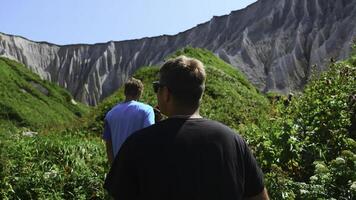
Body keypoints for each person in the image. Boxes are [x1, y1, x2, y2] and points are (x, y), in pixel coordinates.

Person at [104, 56, 269, 200]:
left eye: (157, 87)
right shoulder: (233, 140)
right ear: (200, 95)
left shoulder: (137, 144)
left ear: (167, 93)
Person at [102, 77, 155, 165]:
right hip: (138, 166)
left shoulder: (110, 114)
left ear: (125, 92)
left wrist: (113, 168)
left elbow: (108, 145)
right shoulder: (147, 110)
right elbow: (150, 138)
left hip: (119, 167)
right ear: (139, 93)